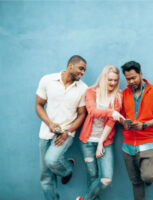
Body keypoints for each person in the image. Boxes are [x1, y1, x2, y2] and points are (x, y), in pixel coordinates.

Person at [35, 55, 88, 200]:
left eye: (84, 71)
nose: (82, 73)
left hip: (66, 133)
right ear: (71, 65)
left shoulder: (83, 89)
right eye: (81, 68)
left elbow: (82, 114)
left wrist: (67, 131)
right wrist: (50, 123)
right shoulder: (47, 80)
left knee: (51, 160)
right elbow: (39, 105)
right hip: (46, 132)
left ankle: (67, 170)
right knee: (46, 177)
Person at [119, 61, 153, 200]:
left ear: (140, 74)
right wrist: (124, 123)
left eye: (134, 77)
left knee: (148, 177)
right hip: (128, 145)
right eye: (128, 79)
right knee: (135, 182)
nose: (131, 81)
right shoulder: (125, 93)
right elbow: (121, 116)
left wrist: (144, 125)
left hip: (148, 142)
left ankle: (148, 177)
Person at [76, 65, 123, 200]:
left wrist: (101, 142)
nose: (113, 83)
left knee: (106, 179)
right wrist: (111, 112)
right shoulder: (91, 92)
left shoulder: (118, 96)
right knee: (92, 176)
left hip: (105, 142)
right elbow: (93, 112)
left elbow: (111, 121)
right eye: (110, 80)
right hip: (87, 142)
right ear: (103, 79)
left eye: (115, 80)